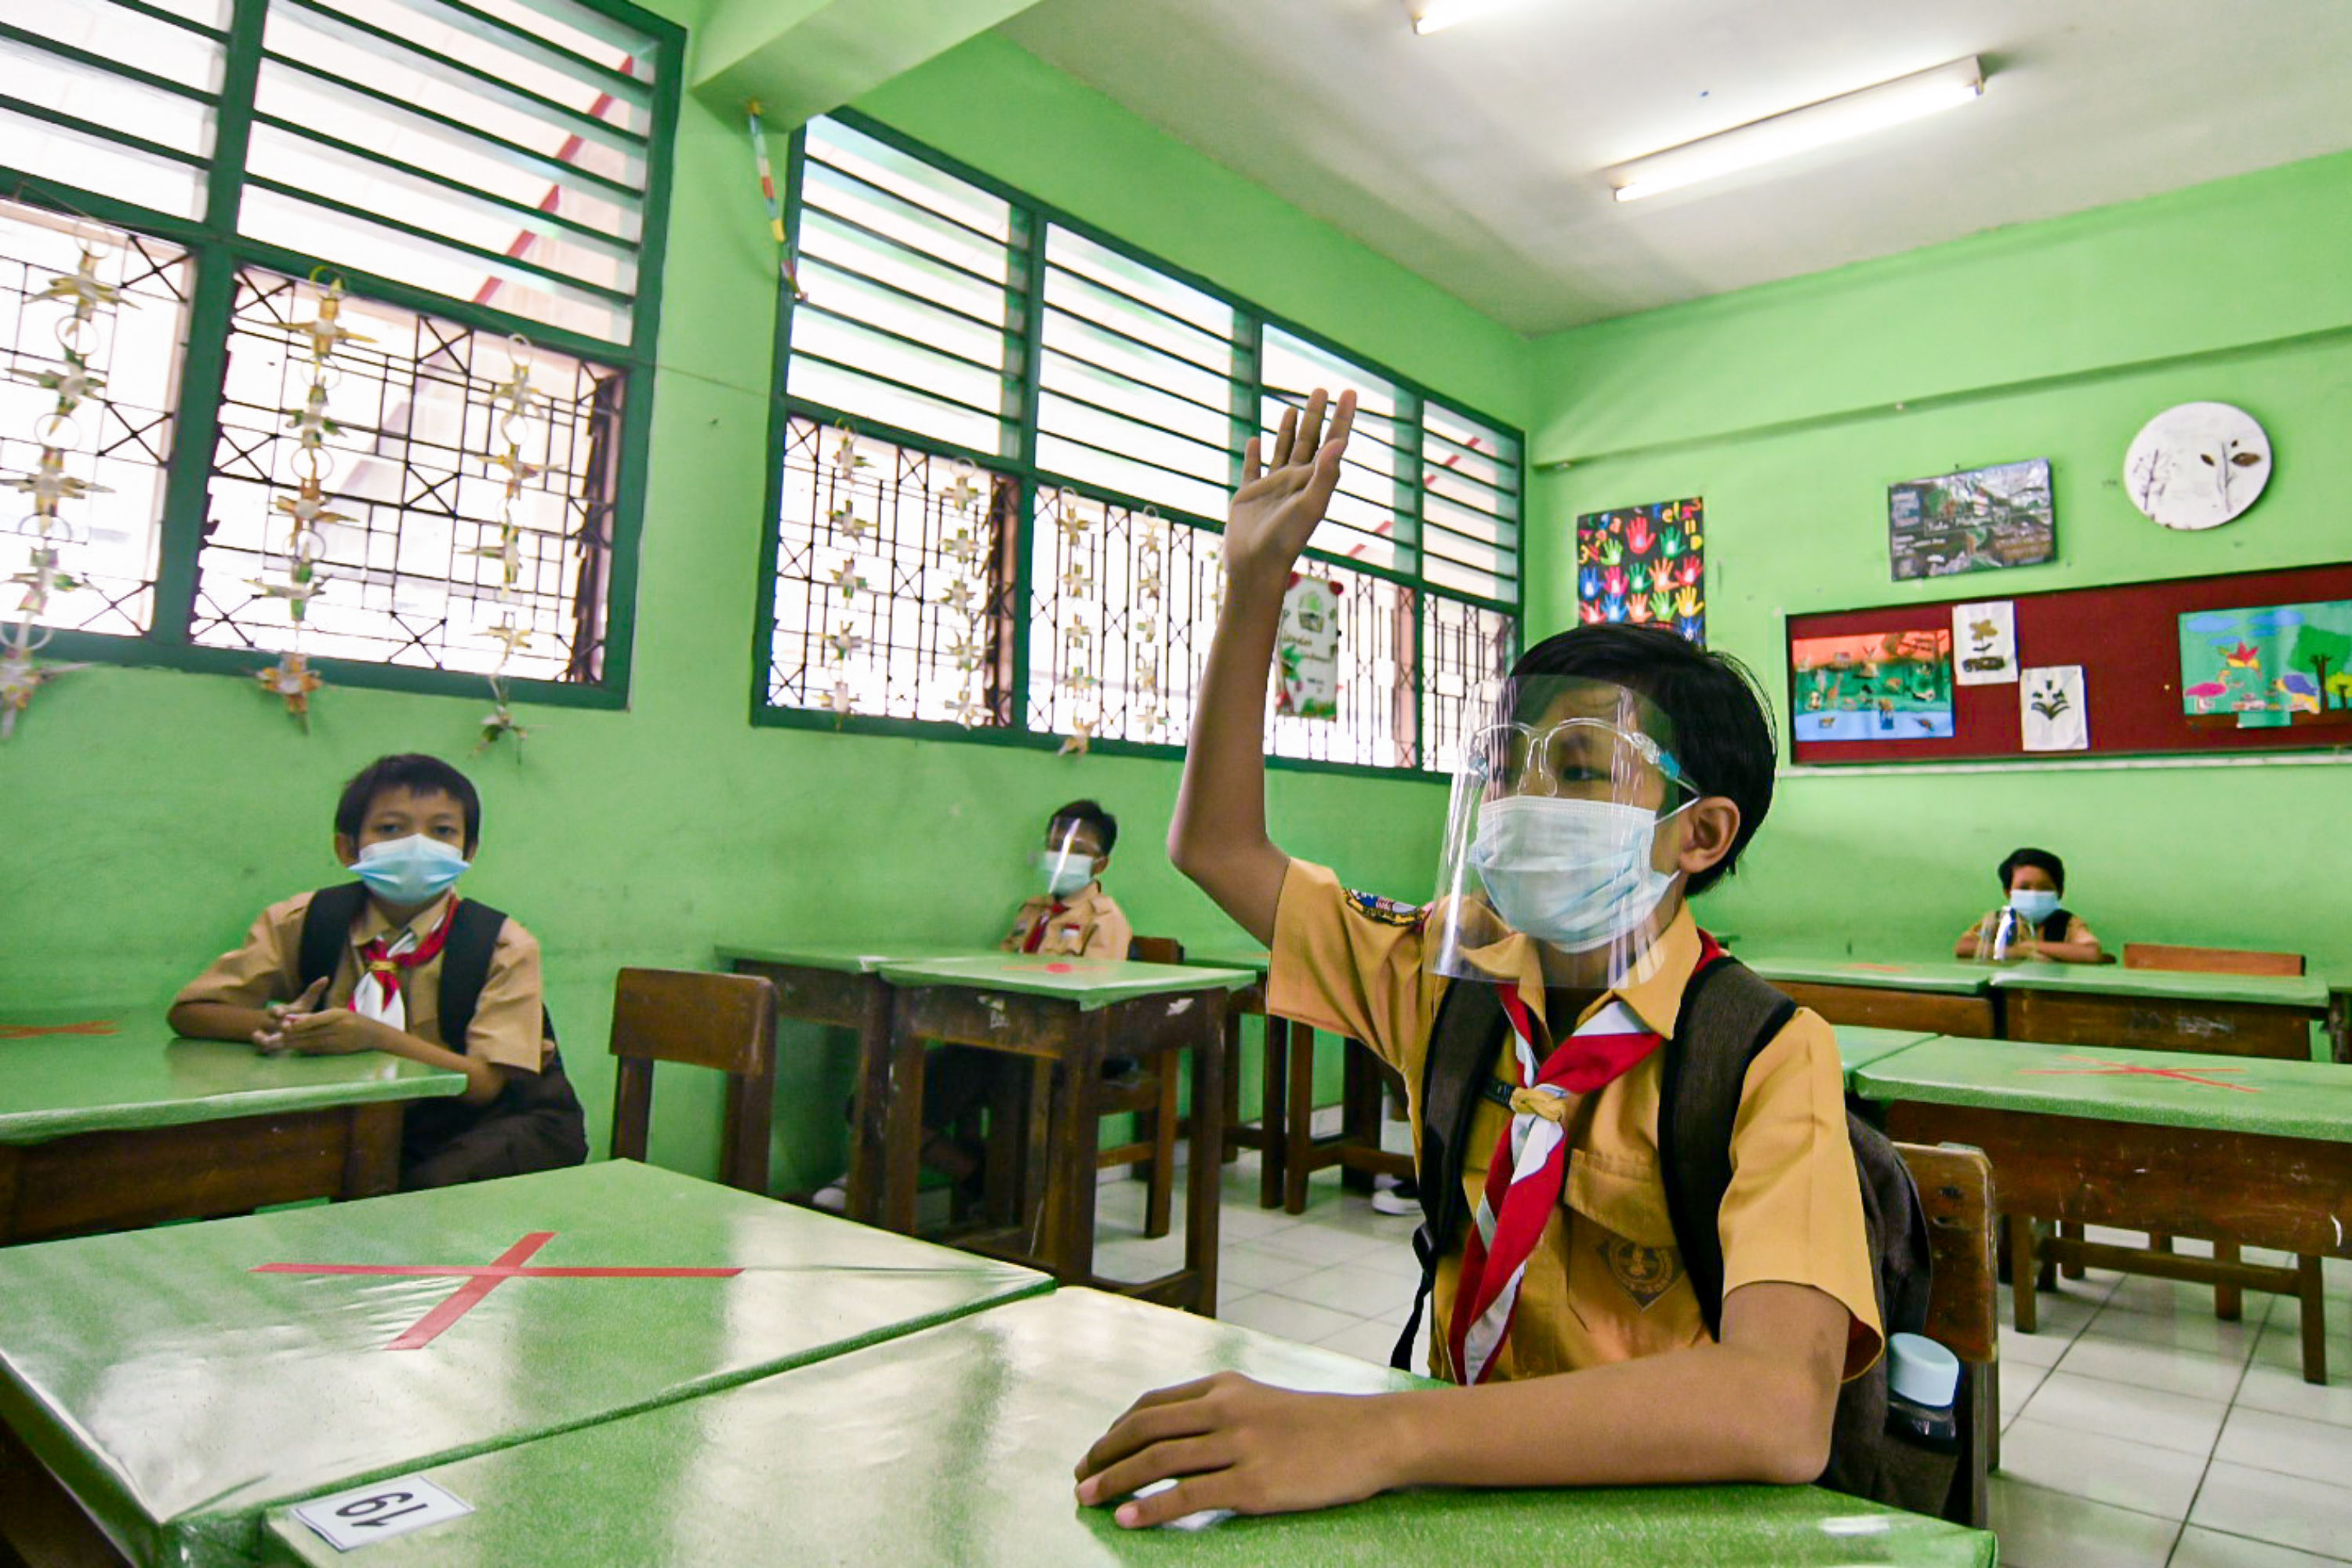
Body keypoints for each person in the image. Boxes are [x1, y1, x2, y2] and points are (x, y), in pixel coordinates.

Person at [1075, 390, 1881, 1528]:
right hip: (1456, 1490)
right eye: (1506, 764)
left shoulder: (1765, 1055)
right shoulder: (1449, 979)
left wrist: (1379, 1432)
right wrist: (1253, 586)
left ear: (1699, 834)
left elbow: (1777, 1409)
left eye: (1580, 767)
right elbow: (1217, 846)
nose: (1521, 797)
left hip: (1654, 1508)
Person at [168, 753, 587, 1189]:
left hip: (497, 1122)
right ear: (347, 848)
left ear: (469, 851)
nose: (417, 845)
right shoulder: (304, 922)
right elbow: (190, 1012)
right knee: (235, 1165)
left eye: (442, 831)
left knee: (413, 1194)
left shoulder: (502, 944)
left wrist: (374, 1037)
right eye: (390, 829)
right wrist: (283, 1027)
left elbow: (482, 1084)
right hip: (372, 1120)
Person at [810, 801, 1135, 1214]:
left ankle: (878, 1181)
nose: (1061, 855)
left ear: (1100, 864)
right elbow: (1000, 969)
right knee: (876, 1096)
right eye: (1055, 844)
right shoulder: (1032, 910)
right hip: (995, 1041)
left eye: (1077, 849)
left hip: (1046, 1052)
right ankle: (978, 1177)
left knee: (914, 1096)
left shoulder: (1106, 919)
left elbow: (1094, 999)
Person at [1952, 846, 2103, 964]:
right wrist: (2017, 952)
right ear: (2008, 892)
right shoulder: (1999, 920)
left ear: (2059, 892)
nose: (2034, 894)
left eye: (2045, 888)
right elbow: (1964, 947)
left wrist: (2033, 946)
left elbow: (2091, 953)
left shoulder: (2068, 923)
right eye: (2024, 888)